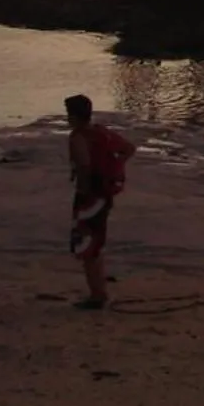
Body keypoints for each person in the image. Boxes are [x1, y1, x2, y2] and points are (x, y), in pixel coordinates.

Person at [66, 93, 133, 311]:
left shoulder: (78, 137)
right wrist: (115, 165)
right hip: (105, 194)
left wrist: (84, 189)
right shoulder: (101, 133)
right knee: (96, 243)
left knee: (87, 246)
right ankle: (99, 291)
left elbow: (84, 165)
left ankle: (97, 295)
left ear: (73, 115)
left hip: (90, 197)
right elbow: (128, 148)